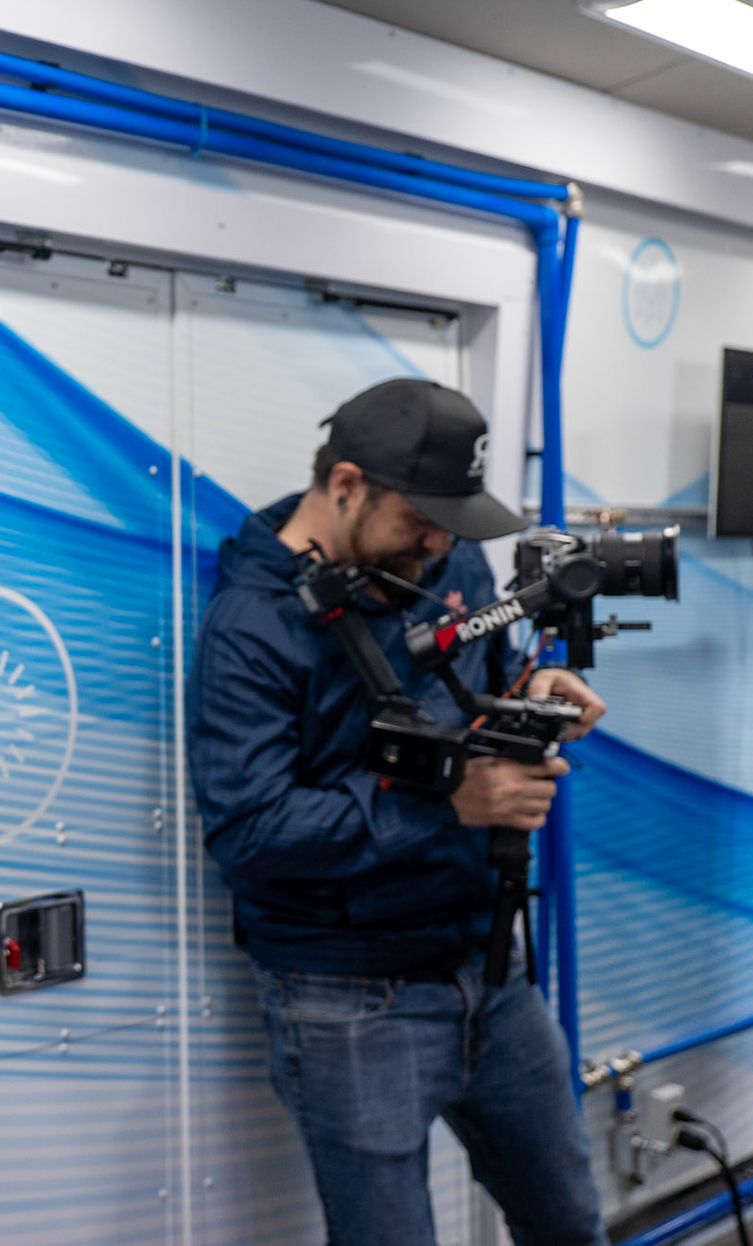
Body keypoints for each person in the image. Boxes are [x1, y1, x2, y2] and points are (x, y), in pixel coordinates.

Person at [188, 379, 609, 1245]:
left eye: (454, 522)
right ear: (346, 485)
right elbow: (250, 833)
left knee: (570, 1223)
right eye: (420, 520)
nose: (440, 543)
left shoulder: (449, 563)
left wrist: (531, 691)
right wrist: (451, 805)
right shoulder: (250, 625)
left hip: (489, 968)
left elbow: (480, 683)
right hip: (348, 998)